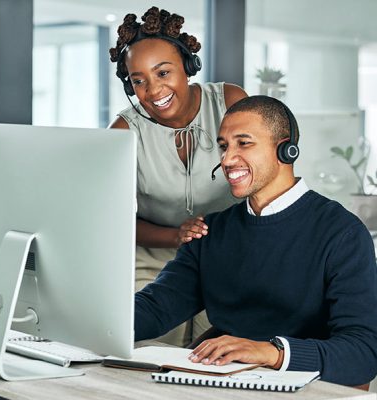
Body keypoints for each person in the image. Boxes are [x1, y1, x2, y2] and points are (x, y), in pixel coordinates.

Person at [134, 95, 377, 386]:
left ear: (285, 149)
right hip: (223, 383)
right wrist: (85, 318)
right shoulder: (211, 230)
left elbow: (363, 353)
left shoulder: (342, 234)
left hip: (307, 388)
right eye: (224, 146)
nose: (227, 159)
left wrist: (270, 352)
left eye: (244, 143)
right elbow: (158, 308)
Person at [108, 6, 247, 346]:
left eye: (163, 73)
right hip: (152, 262)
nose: (153, 91)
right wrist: (175, 236)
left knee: (214, 360)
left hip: (228, 258)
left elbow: (265, 176)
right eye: (138, 80)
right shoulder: (124, 131)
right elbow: (112, 221)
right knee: (144, 357)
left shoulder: (231, 102)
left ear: (187, 67)